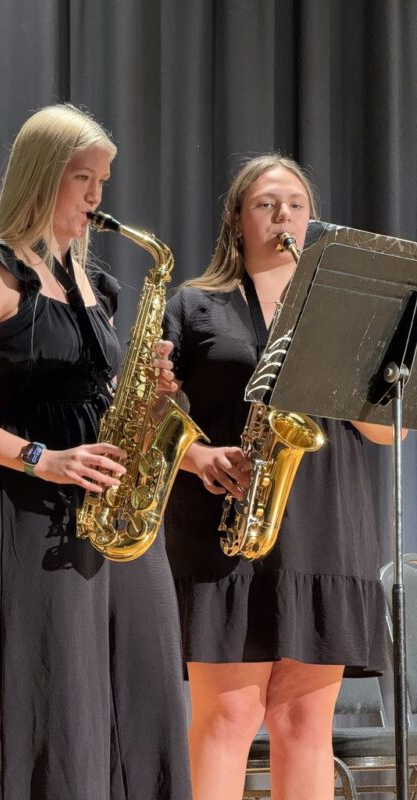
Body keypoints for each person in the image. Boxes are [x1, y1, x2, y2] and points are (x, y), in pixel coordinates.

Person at [0, 103, 191, 800]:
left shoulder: (100, 289)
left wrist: (154, 395)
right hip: (37, 502)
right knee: (59, 707)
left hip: (120, 514)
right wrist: (44, 457)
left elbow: (108, 405)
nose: (98, 197)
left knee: (150, 692)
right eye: (82, 177)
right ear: (42, 178)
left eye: (103, 179)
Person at [162, 154, 395, 800]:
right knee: (229, 716)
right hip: (223, 524)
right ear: (237, 222)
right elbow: (144, 411)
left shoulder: (343, 314)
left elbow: (387, 430)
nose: (282, 215)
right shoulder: (195, 304)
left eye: (294, 203)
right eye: (265, 204)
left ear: (312, 219)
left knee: (302, 724)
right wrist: (200, 456)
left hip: (326, 527)